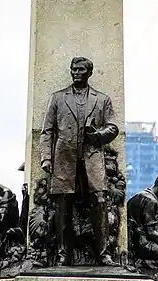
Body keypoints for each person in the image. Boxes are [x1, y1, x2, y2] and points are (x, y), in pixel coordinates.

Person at [40, 57, 119, 266]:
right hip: (65, 160)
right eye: (73, 69)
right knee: (63, 205)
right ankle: (62, 253)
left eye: (80, 69)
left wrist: (97, 135)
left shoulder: (102, 99)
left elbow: (113, 127)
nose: (76, 72)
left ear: (89, 72)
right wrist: (46, 158)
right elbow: (47, 132)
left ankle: (103, 253)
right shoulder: (57, 98)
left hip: (92, 159)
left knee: (100, 202)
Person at [128, 173, 158, 271]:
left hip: (134, 240)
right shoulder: (151, 201)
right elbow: (151, 233)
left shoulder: (142, 195)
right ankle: (143, 264)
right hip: (142, 244)